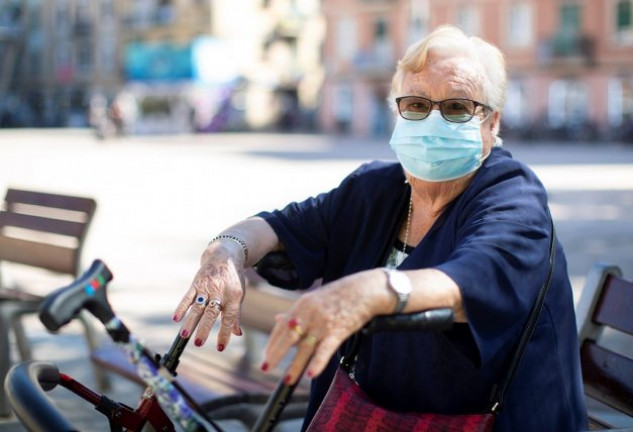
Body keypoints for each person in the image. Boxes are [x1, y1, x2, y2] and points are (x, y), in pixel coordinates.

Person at [173, 25, 588, 431]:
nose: (434, 121)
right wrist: (226, 252)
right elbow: (279, 226)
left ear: (492, 123)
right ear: (397, 112)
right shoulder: (376, 189)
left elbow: (479, 276)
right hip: (370, 414)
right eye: (417, 104)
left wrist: (375, 290)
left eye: (458, 107)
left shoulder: (513, 195)